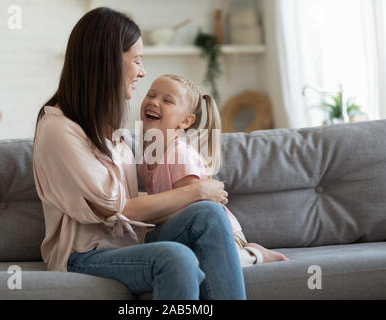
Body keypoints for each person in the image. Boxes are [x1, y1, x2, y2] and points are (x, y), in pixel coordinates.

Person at [32, 7, 246, 299]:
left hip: (132, 242)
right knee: (177, 258)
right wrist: (197, 191)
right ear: (108, 61)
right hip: (82, 256)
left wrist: (199, 195)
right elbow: (116, 208)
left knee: (208, 215)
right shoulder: (59, 129)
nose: (142, 72)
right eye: (137, 60)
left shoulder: (107, 126)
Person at [138, 74, 290, 266]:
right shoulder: (147, 156)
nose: (154, 102)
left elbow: (196, 212)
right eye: (151, 95)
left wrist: (149, 218)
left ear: (185, 121)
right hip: (183, 233)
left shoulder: (180, 155)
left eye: (167, 100)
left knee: (208, 264)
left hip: (218, 234)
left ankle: (255, 254)